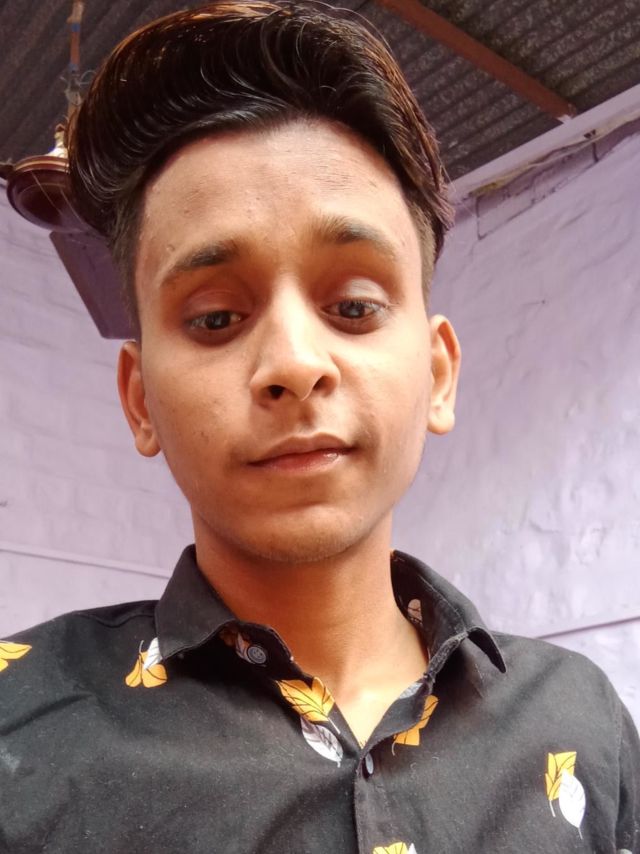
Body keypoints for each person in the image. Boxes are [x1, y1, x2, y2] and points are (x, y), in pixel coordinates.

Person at [1, 2, 638, 852]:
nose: (295, 363)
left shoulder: (581, 721)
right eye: (216, 319)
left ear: (439, 374)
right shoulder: (21, 728)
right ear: (140, 399)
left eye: (354, 306)